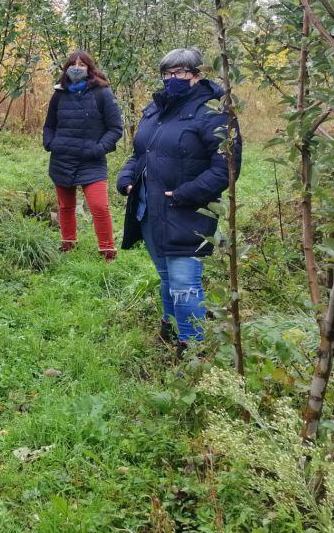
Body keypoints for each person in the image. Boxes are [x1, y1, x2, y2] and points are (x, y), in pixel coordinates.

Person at [116, 47, 241, 358]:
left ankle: (193, 349)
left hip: (187, 212)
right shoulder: (155, 109)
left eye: (181, 72)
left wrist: (187, 193)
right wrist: (127, 176)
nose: (173, 78)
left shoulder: (214, 112)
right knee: (167, 277)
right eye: (168, 73)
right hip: (149, 209)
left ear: (197, 74)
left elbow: (226, 168)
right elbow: (140, 154)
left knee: (185, 282)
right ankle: (170, 329)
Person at [42, 50, 124, 261]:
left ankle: (107, 251)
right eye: (72, 64)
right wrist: (50, 144)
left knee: (99, 206)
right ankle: (68, 245)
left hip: (91, 160)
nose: (76, 68)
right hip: (62, 158)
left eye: (82, 64)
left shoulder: (102, 93)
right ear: (66, 68)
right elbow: (49, 126)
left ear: (90, 68)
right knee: (66, 206)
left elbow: (115, 128)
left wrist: (98, 149)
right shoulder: (59, 94)